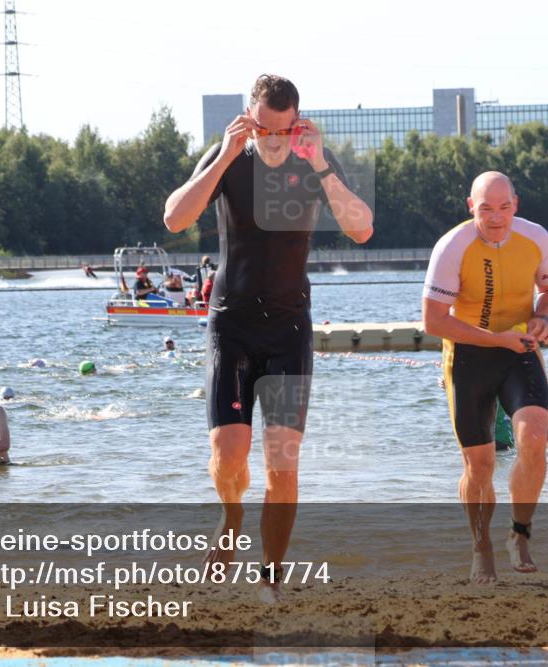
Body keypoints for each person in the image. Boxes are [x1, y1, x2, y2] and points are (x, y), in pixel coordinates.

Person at [163, 73, 373, 600]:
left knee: (282, 463)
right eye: (263, 130)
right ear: (249, 119)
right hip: (231, 324)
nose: (273, 141)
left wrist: (322, 163)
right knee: (229, 453)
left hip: (288, 328)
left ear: (297, 123)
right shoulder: (228, 155)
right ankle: (231, 518)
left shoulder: (314, 159)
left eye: (283, 131)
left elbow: (362, 229)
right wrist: (224, 157)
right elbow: (174, 219)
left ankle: (272, 576)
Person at [421, 171, 548, 585]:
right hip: (467, 357)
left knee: (534, 439)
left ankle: (519, 533)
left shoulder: (536, 238)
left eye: (504, 208)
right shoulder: (452, 247)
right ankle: (481, 544)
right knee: (479, 465)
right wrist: (495, 338)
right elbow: (433, 321)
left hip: (518, 350)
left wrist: (541, 318)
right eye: (486, 209)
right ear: (471, 207)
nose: (496, 218)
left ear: (515, 205)